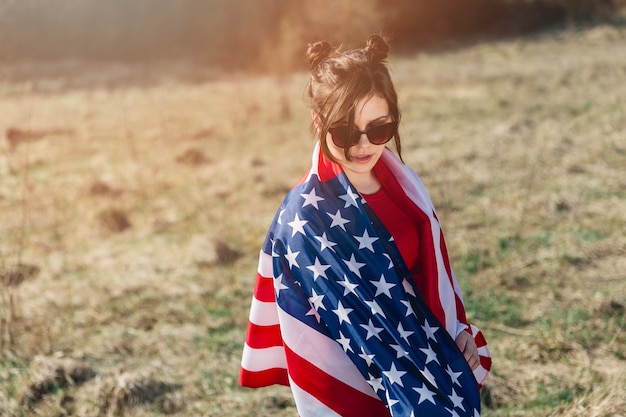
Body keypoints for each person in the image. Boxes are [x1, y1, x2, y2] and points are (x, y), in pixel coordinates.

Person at [240, 34, 491, 417]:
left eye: (378, 129)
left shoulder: (406, 188)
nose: (362, 146)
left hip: (434, 359)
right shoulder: (305, 220)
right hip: (369, 387)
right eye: (343, 132)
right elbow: (342, 334)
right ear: (318, 121)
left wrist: (456, 330)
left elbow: (430, 277)